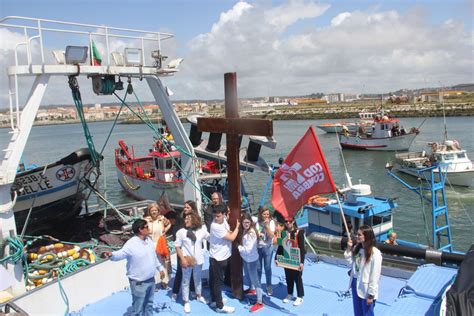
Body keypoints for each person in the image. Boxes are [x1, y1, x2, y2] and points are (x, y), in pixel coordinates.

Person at [103, 219, 165, 316]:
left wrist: (160, 269)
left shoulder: (149, 240)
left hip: (151, 280)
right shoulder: (131, 244)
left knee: (149, 304)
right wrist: (111, 255)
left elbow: (154, 256)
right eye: (147, 227)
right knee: (138, 309)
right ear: (140, 229)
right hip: (138, 283)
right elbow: (121, 254)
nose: (149, 228)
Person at [344, 225, 383, 316]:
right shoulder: (358, 249)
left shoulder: (375, 254)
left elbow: (375, 276)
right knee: (357, 312)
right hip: (355, 283)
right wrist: (349, 249)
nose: (357, 236)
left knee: (367, 313)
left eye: (359, 235)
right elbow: (350, 263)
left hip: (366, 288)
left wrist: (371, 294)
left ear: (367, 236)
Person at [175, 212, 209, 313]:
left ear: (194, 219)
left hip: (198, 259)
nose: (186, 220)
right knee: (186, 280)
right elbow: (177, 246)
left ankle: (199, 295)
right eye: (185, 219)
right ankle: (186, 301)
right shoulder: (181, 232)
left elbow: (211, 238)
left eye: (188, 218)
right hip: (187, 259)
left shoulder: (201, 231)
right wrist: (182, 259)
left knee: (197, 278)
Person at [209, 204, 240, 313]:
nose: (216, 218)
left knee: (215, 281)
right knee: (218, 282)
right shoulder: (215, 226)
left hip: (222, 255)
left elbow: (228, 216)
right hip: (218, 258)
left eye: (218, 216)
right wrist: (237, 227)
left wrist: (229, 211)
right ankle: (219, 306)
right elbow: (231, 237)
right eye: (215, 216)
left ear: (224, 215)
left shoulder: (224, 220)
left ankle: (215, 300)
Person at [275, 217, 305, 306]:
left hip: (296, 258)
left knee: (297, 278)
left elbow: (302, 248)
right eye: (286, 221)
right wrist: (276, 258)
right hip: (286, 258)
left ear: (293, 222)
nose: (288, 223)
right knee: (288, 277)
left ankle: (300, 296)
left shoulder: (299, 233)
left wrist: (302, 262)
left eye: (290, 221)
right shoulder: (283, 233)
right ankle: (290, 293)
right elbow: (280, 246)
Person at [238, 213, 264, 312]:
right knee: (248, 276)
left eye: (248, 222)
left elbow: (248, 249)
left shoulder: (251, 233)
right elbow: (254, 218)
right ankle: (251, 289)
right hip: (246, 259)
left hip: (251, 260)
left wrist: (239, 248)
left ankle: (260, 302)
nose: (246, 224)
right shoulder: (246, 229)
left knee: (256, 281)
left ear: (250, 223)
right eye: (244, 222)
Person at [171, 201, 196, 301]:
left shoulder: (195, 220)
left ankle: (193, 289)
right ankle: (175, 291)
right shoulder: (180, 218)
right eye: (184, 207)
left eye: (187, 207)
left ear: (192, 209)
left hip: (191, 249)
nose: (185, 209)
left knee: (192, 269)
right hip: (182, 249)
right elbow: (175, 232)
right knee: (180, 271)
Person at [144, 202, 171, 289]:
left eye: (155, 210)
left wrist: (164, 231)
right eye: (152, 210)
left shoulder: (162, 218)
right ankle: (154, 284)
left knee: (163, 263)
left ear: (158, 211)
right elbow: (142, 230)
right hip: (151, 244)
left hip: (161, 243)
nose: (154, 212)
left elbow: (169, 224)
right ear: (149, 211)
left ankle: (164, 281)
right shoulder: (146, 220)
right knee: (152, 264)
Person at [254, 206, 275, 296]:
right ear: (260, 214)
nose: (266, 216)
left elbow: (271, 236)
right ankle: (258, 287)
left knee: (267, 268)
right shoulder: (257, 223)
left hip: (268, 248)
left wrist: (266, 226)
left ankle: (269, 286)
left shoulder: (271, 222)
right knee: (258, 269)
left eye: (267, 214)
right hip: (258, 248)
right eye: (264, 214)